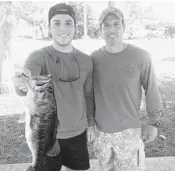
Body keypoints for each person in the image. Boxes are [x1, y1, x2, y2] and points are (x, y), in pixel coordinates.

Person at [12, 3, 95, 171]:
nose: (62, 28)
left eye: (68, 22)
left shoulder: (86, 60)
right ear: (49, 27)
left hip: (77, 133)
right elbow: (27, 78)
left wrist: (91, 123)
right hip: (48, 135)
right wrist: (21, 83)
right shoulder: (39, 56)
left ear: (75, 27)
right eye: (56, 23)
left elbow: (88, 95)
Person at [91, 7, 164, 171]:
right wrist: (89, 124)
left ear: (123, 27)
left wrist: (153, 122)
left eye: (116, 24)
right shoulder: (94, 58)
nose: (112, 30)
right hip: (101, 134)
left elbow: (151, 89)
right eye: (106, 25)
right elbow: (88, 94)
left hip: (129, 132)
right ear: (101, 29)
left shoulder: (140, 56)